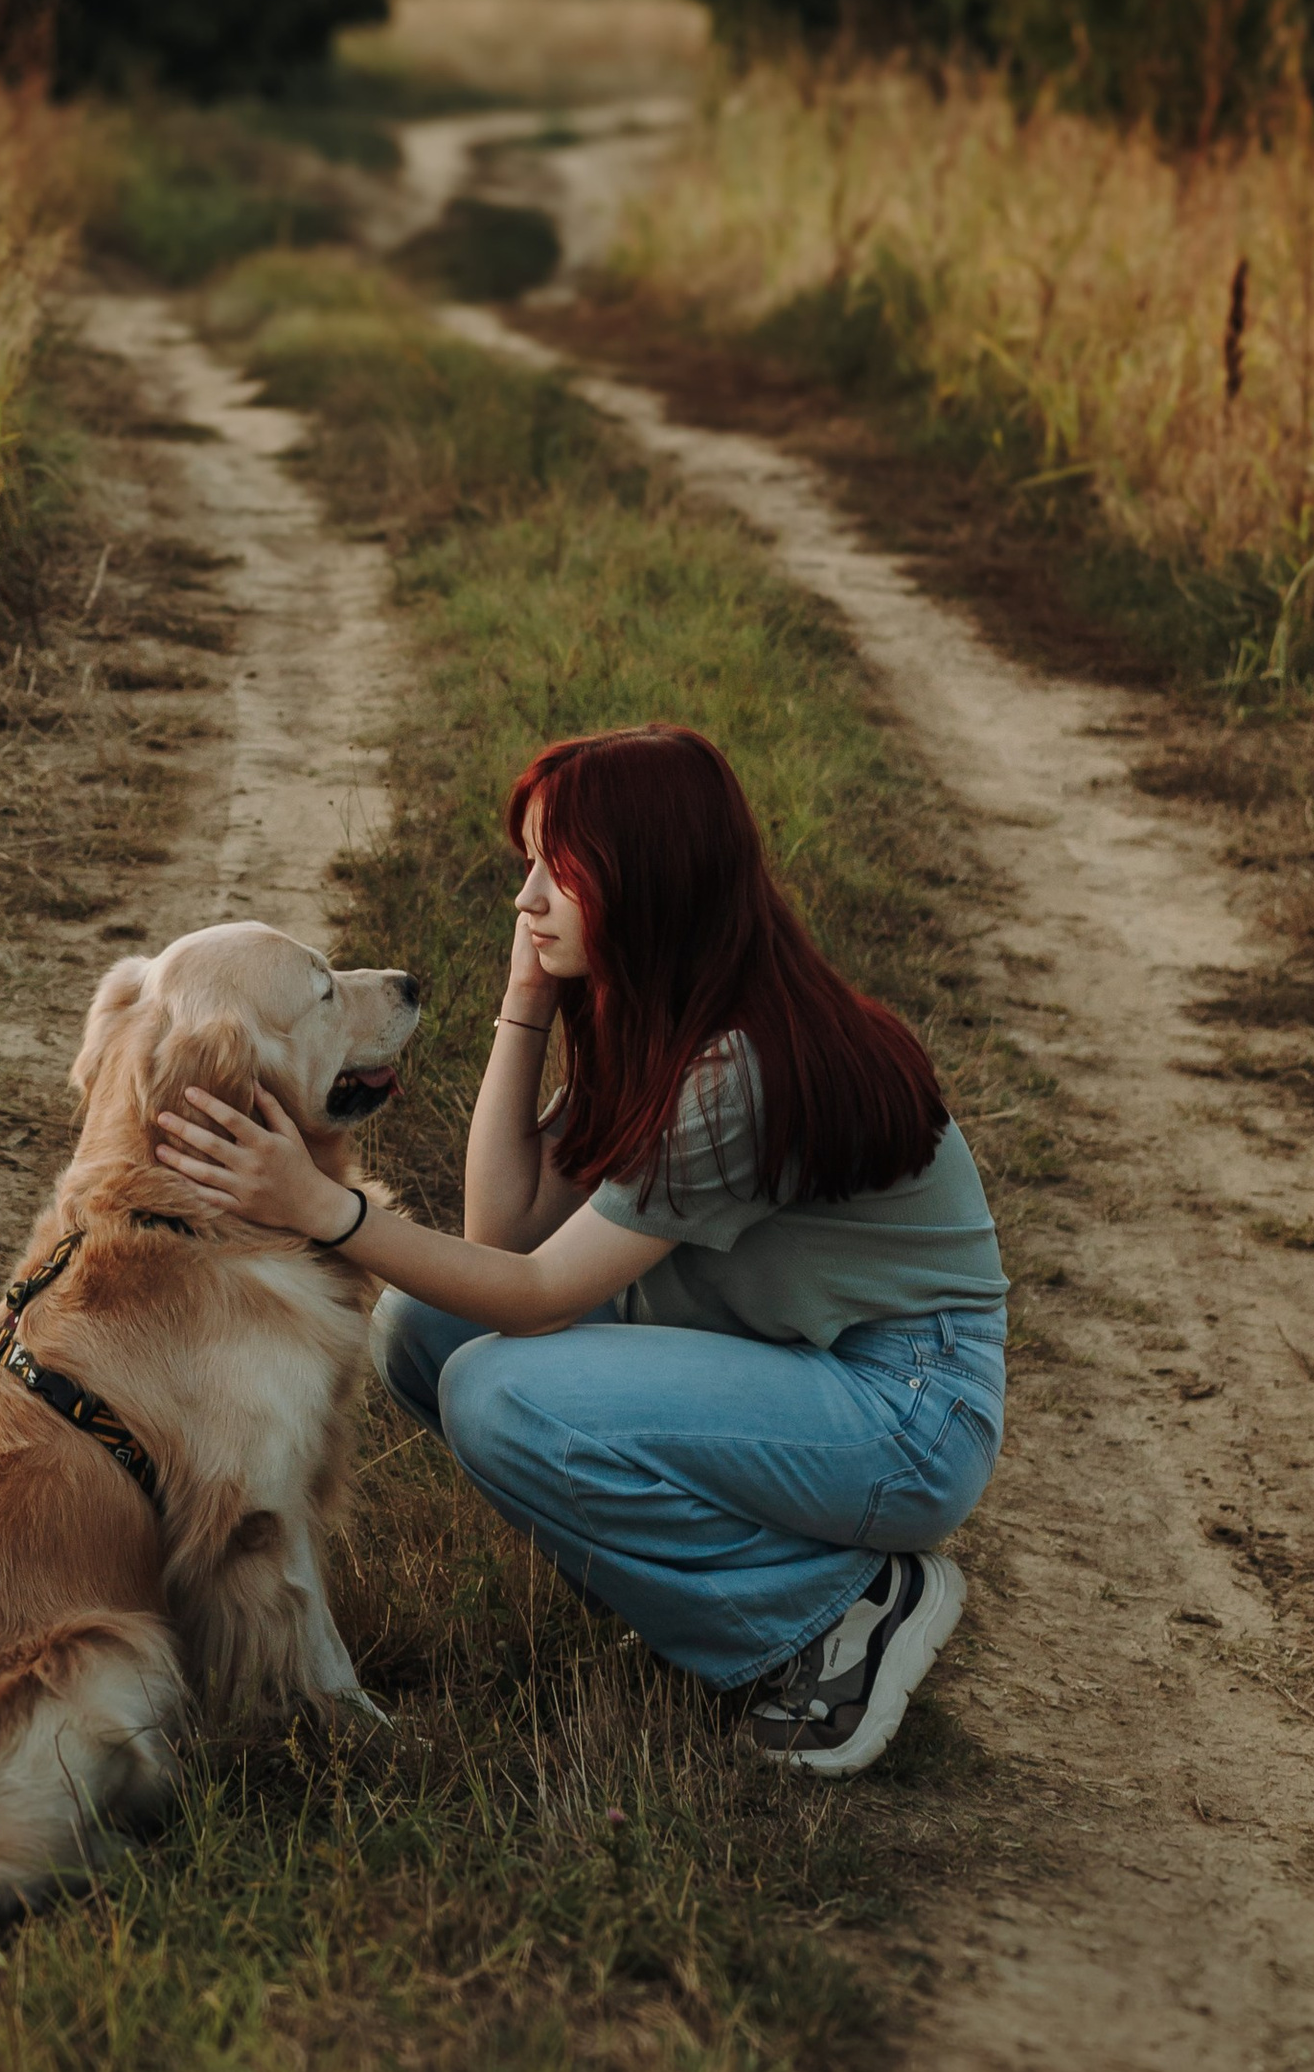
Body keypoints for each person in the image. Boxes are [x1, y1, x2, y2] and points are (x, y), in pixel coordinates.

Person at [153, 723, 1006, 1774]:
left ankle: (838, 1611)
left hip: (904, 1410)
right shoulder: (656, 1016)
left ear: (647, 877)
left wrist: (323, 1212)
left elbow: (538, 1293)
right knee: (423, 1329)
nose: (525, 901)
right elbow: (498, 1236)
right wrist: (526, 1006)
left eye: (557, 870)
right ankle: (743, 1590)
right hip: (781, 1354)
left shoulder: (735, 1067)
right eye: (528, 865)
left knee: (499, 1394)